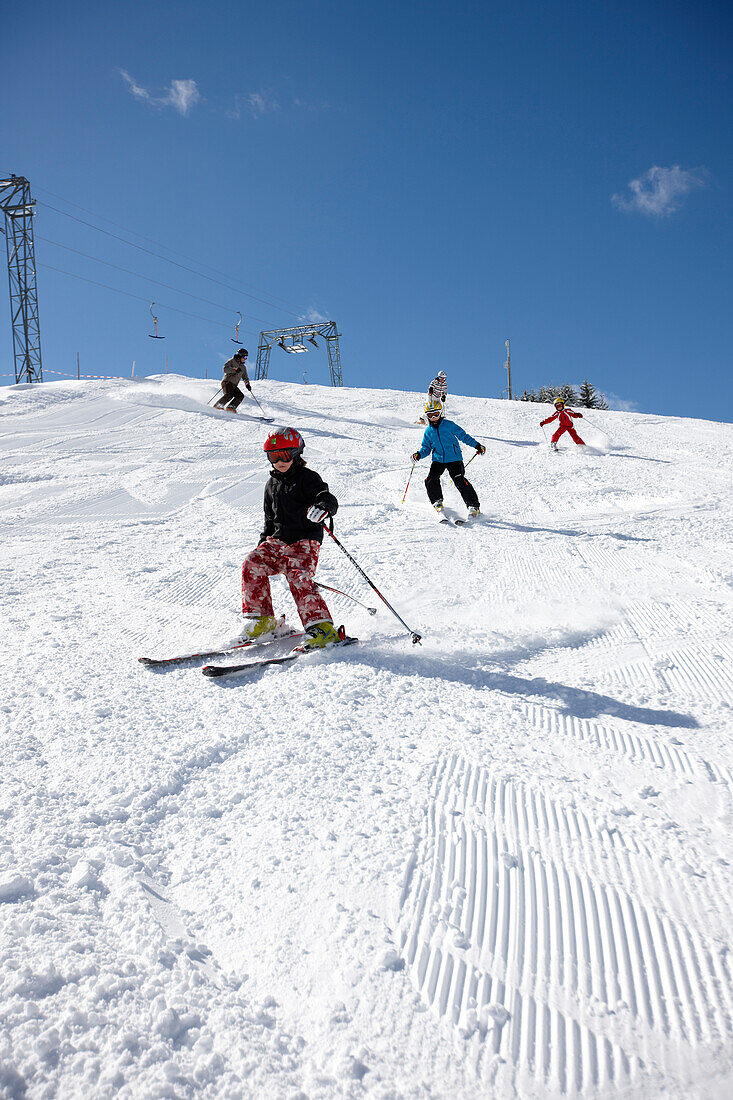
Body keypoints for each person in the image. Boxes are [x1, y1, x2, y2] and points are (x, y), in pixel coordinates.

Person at [238, 427, 344, 649]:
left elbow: (326, 497)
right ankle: (263, 621)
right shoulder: (271, 485)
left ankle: (321, 629)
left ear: (296, 453)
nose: (279, 461)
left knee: (299, 577)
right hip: (277, 542)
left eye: (284, 456)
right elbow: (269, 520)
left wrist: (323, 507)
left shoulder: (308, 477)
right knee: (252, 563)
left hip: (304, 541)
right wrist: (262, 545)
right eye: (273, 457)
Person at [412, 399, 485, 517]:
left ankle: (473, 506)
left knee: (459, 479)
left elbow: (464, 436)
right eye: (430, 415)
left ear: (440, 413)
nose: (433, 417)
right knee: (431, 479)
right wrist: (419, 454)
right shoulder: (428, 431)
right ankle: (437, 502)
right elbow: (426, 448)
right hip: (438, 459)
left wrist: (477, 445)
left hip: (454, 458)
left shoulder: (449, 425)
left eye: (436, 414)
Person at [215, 348, 251, 413]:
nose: (246, 359)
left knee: (240, 396)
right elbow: (225, 369)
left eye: (247, 357)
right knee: (229, 395)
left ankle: (231, 407)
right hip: (227, 381)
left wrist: (247, 384)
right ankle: (218, 406)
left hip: (234, 384)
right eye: (245, 357)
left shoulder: (243, 367)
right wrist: (234, 369)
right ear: (240, 356)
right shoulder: (232, 361)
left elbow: (245, 377)